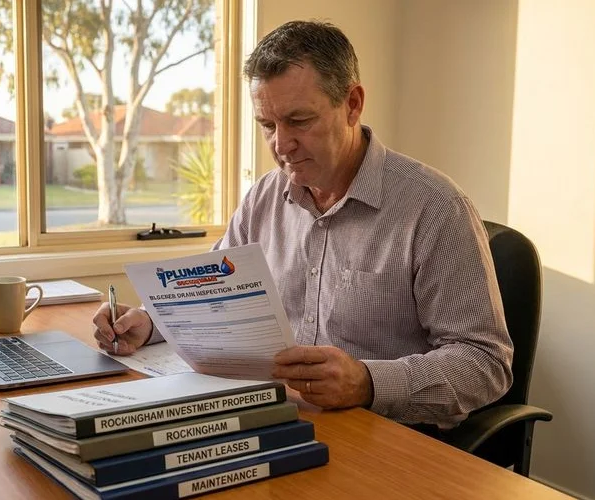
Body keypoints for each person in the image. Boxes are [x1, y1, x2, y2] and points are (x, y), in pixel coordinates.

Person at [93, 20, 513, 428]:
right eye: (267, 126)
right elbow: (208, 299)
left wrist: (367, 382)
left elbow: (485, 364)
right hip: (280, 419)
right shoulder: (264, 198)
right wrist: (150, 323)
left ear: (352, 104)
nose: (281, 144)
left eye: (299, 121)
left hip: (387, 437)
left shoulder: (435, 208)